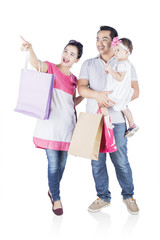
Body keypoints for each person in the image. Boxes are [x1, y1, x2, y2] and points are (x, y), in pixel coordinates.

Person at [78, 26, 139, 215]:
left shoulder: (125, 63)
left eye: (104, 38)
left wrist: (114, 101)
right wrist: (98, 96)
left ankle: (128, 196)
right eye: (97, 38)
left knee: (120, 160)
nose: (99, 42)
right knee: (97, 162)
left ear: (114, 41)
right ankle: (103, 197)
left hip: (116, 121)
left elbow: (135, 91)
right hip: (92, 119)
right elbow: (82, 89)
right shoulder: (88, 64)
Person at [20, 36, 84, 216]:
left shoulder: (74, 79)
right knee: (53, 165)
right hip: (50, 126)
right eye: (66, 51)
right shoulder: (51, 68)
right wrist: (30, 48)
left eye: (72, 54)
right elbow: (35, 63)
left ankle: (51, 189)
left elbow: (71, 103)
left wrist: (85, 95)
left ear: (76, 60)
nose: (67, 56)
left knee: (62, 165)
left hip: (67, 128)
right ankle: (56, 197)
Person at [101, 36, 139, 137]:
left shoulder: (123, 64)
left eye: (118, 50)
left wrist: (110, 70)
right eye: (115, 50)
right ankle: (132, 124)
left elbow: (120, 78)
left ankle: (108, 124)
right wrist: (109, 70)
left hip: (117, 92)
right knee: (124, 107)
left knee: (102, 105)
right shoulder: (122, 63)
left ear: (126, 52)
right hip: (120, 91)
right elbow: (115, 73)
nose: (115, 52)